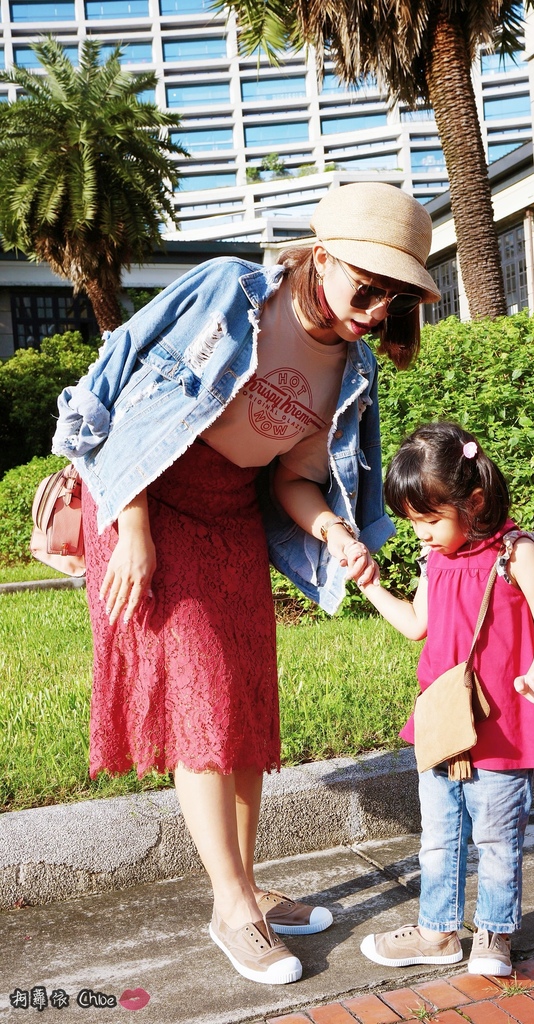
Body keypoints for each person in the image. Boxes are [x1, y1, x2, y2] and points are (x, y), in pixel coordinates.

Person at [51, 182, 440, 987]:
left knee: (245, 702)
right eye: (365, 288)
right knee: (198, 693)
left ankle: (246, 883)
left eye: (393, 299)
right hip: (142, 495)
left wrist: (331, 527)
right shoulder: (232, 292)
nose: (374, 311)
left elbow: (298, 479)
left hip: (229, 513)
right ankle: (231, 908)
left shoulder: (353, 369)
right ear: (320, 257)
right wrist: (132, 529)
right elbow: (117, 390)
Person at [357, 421, 534, 977]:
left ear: (473, 502)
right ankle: (438, 930)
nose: (421, 535)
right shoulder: (434, 560)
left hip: (503, 725)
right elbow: (415, 624)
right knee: (438, 835)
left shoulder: (516, 554)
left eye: (430, 521)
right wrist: (372, 586)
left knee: (498, 835)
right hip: (444, 719)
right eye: (413, 523)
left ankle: (493, 934)